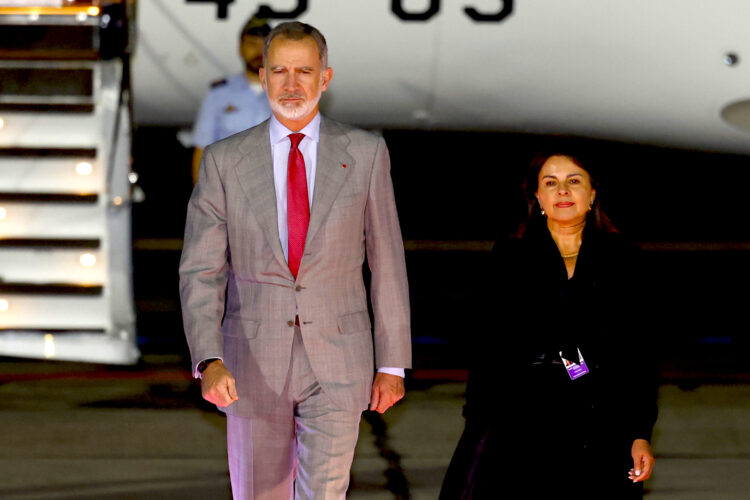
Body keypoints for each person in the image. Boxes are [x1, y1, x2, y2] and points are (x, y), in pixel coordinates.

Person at [179, 21, 412, 500]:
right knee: (258, 493)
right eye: (279, 71)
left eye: (304, 71)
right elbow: (201, 271)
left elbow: (387, 262)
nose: (291, 84)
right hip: (249, 362)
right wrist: (208, 358)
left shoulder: (366, 154)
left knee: (324, 494)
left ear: (325, 78)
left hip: (340, 359)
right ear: (262, 78)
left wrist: (392, 362)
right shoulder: (224, 161)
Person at [440, 146, 658, 499]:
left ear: (592, 193)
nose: (563, 191)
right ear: (537, 196)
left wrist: (639, 431)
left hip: (601, 424)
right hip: (520, 423)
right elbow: (488, 349)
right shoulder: (511, 256)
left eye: (574, 181)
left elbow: (639, 355)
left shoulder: (625, 259)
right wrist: (479, 425)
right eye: (551, 182)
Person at [190, 15, 273, 184]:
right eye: (251, 44)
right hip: (228, 195)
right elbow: (202, 151)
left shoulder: (288, 93)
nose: (258, 51)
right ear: (240, 49)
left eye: (264, 45)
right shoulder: (219, 94)